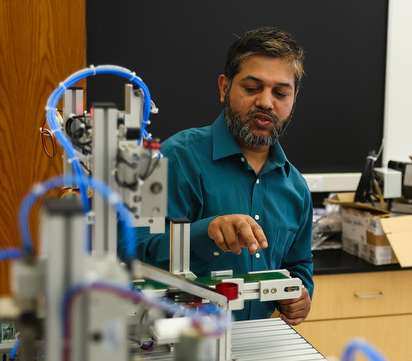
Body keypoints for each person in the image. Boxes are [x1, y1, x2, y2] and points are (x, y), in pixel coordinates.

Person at [133, 27, 313, 325]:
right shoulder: (170, 158)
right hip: (178, 345)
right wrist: (206, 232)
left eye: (280, 93)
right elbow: (130, 250)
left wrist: (300, 294)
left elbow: (299, 264)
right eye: (253, 88)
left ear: (293, 98)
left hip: (260, 345)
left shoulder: (296, 187)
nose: (266, 103)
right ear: (224, 88)